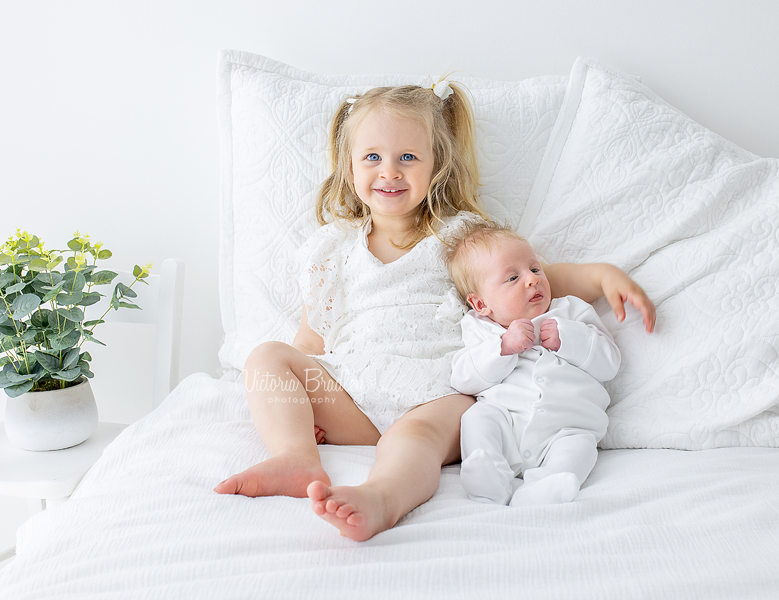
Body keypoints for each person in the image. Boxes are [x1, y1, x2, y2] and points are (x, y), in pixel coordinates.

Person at [214, 77, 656, 541]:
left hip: (439, 394)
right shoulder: (332, 249)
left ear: (436, 165)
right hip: (354, 392)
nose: (389, 171)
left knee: (414, 442)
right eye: (372, 157)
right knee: (266, 358)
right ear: (349, 166)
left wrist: (602, 276)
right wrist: (300, 398)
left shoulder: (459, 237)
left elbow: (532, 279)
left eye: (408, 157)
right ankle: (295, 455)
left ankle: (382, 497)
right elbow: (311, 339)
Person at [445, 221, 620, 506]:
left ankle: (548, 484)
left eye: (535, 269)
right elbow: (462, 378)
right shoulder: (480, 329)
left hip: (567, 426)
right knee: (477, 418)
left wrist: (570, 339)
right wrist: (502, 347)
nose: (532, 279)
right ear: (480, 304)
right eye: (512, 278)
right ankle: (487, 470)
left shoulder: (571, 311)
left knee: (581, 447)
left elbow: (610, 364)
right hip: (508, 424)